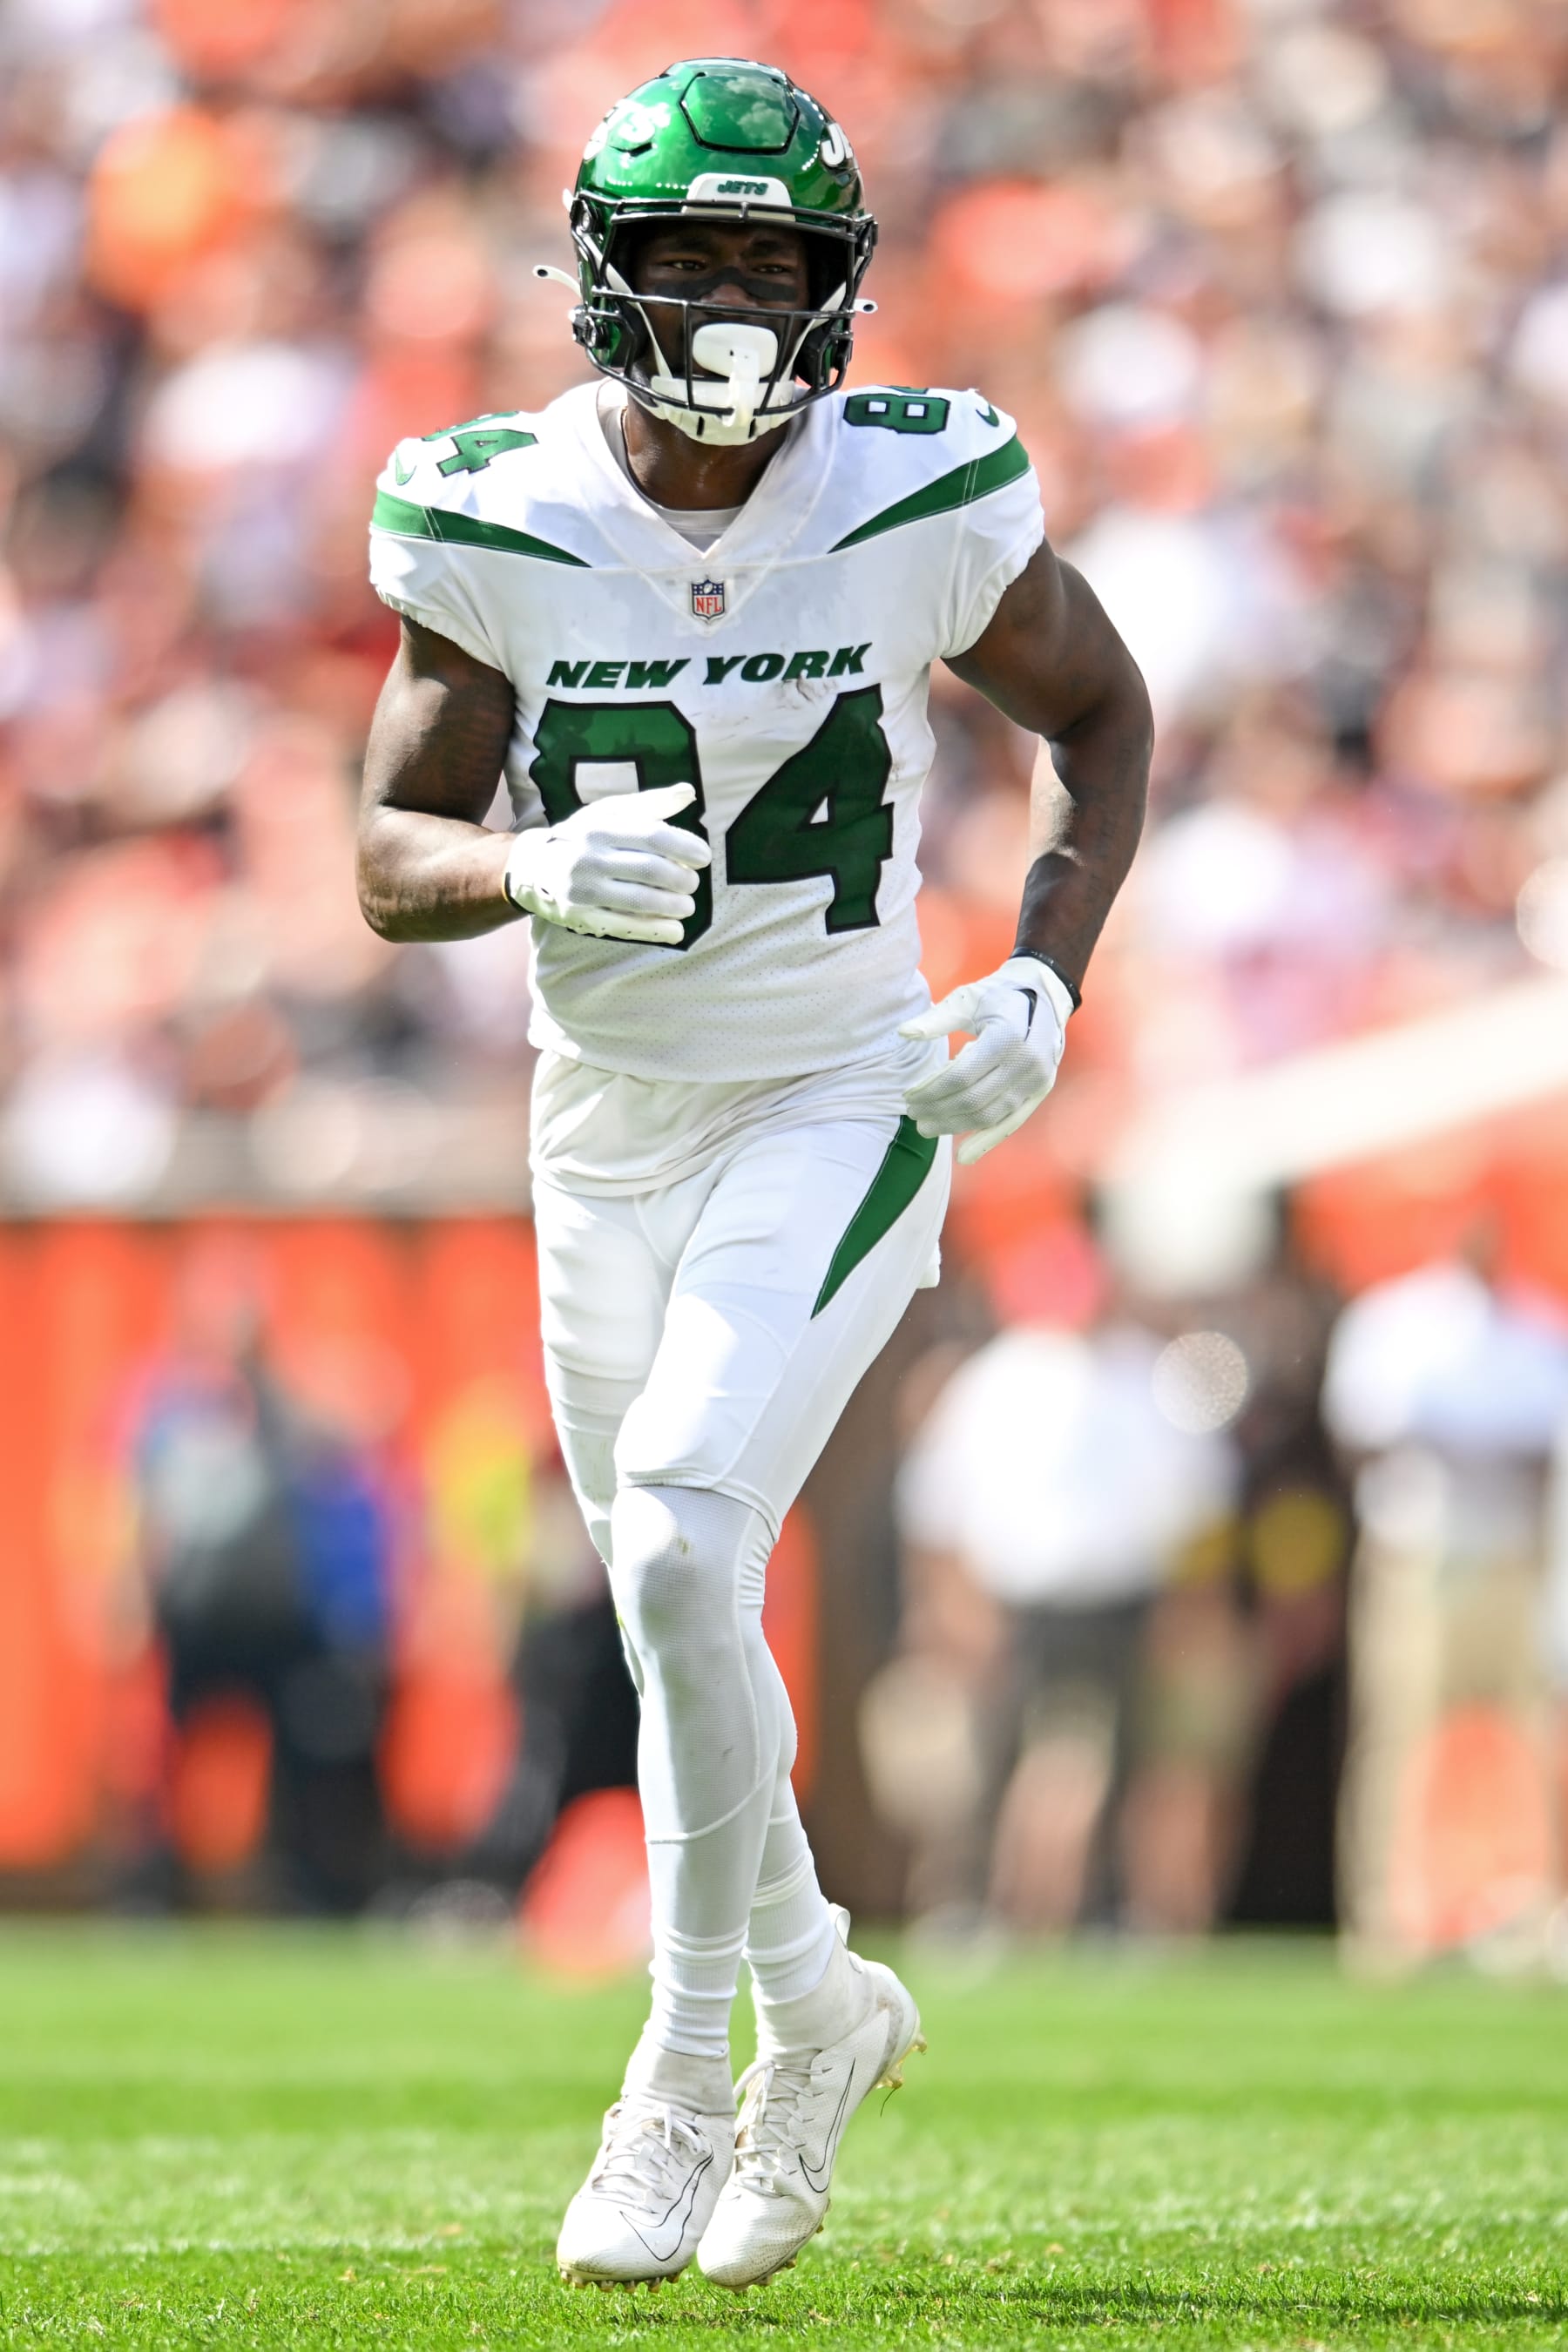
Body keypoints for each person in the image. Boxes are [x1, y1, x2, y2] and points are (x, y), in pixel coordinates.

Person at [356, 57, 1151, 2294]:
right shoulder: (495, 511)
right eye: (689, 256)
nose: (730, 299)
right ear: (605, 279)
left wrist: (1045, 981)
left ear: (837, 287)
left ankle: (686, 2074)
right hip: (601, 1133)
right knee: (663, 1604)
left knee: (697, 1533)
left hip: (840, 1094)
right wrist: (523, 866)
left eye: (771, 260)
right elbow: (383, 857)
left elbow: (1105, 711)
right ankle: (828, 2004)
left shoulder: (918, 488)